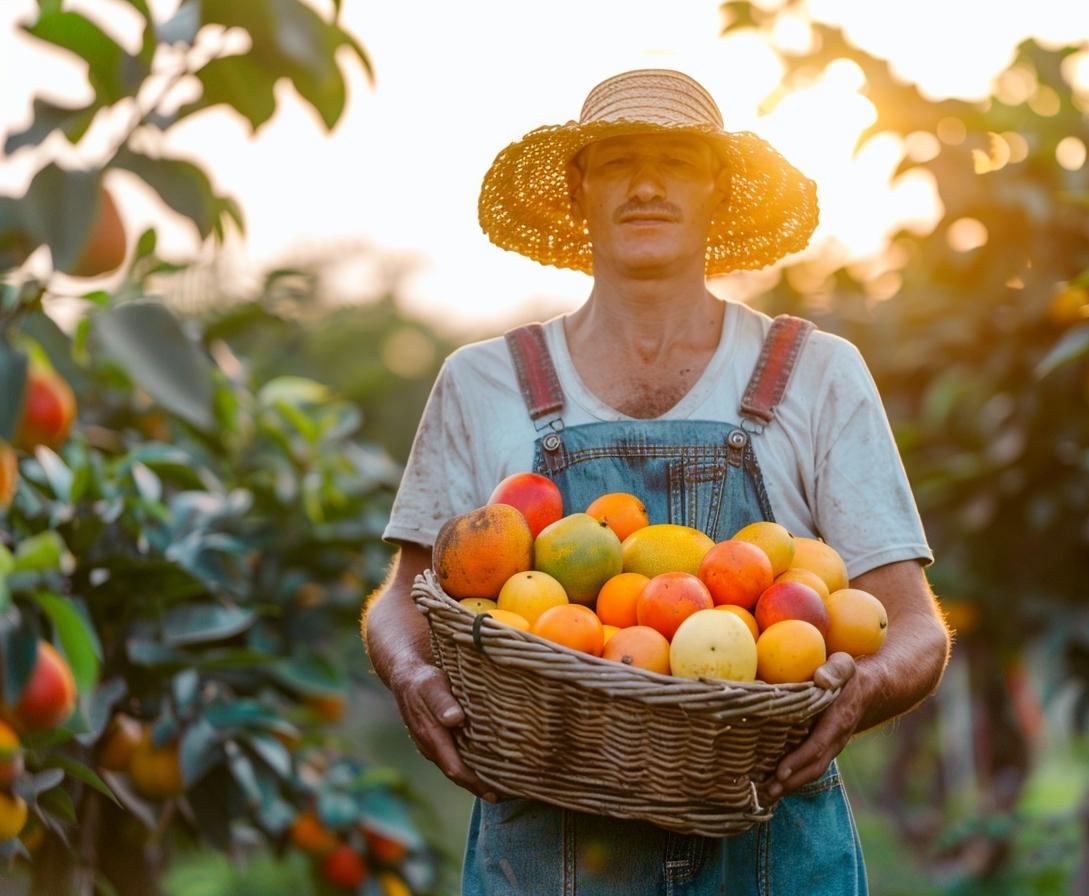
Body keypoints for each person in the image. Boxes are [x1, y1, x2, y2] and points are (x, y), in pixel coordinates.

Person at [361, 68, 951, 895]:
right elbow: (405, 596)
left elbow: (916, 625)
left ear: (717, 187)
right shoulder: (483, 382)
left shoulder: (815, 374)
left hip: (772, 849)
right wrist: (413, 679)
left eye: (675, 160)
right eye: (615, 161)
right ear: (578, 190)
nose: (645, 185)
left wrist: (863, 692)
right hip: (547, 848)